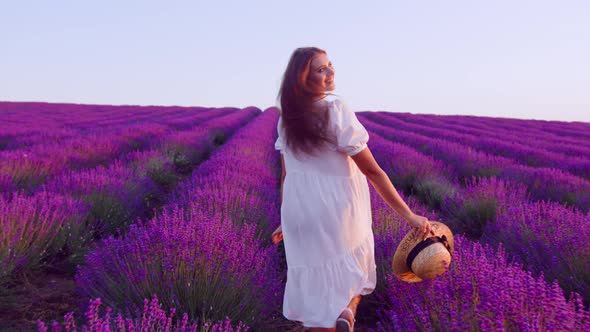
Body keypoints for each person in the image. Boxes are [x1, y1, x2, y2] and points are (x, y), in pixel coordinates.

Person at [271, 47, 432, 332]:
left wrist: (284, 219)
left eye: (330, 65)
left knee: (317, 294)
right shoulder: (335, 110)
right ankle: (346, 312)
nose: (331, 72)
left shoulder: (286, 120)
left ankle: (338, 316)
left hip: (299, 213)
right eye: (321, 69)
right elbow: (372, 170)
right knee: (354, 272)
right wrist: (409, 216)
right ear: (302, 79)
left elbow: (286, 175)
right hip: (337, 210)